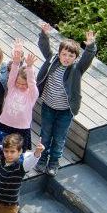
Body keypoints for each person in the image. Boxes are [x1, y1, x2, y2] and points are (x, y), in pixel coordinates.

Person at [35, 24, 96, 176]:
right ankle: (42, 159)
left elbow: (88, 57)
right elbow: (43, 46)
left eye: (71, 56)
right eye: (64, 54)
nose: (66, 58)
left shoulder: (77, 69)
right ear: (59, 53)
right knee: (46, 134)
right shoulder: (52, 60)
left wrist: (90, 45)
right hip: (48, 106)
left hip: (65, 111)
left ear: (76, 58)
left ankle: (54, 162)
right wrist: (44, 34)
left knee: (59, 138)